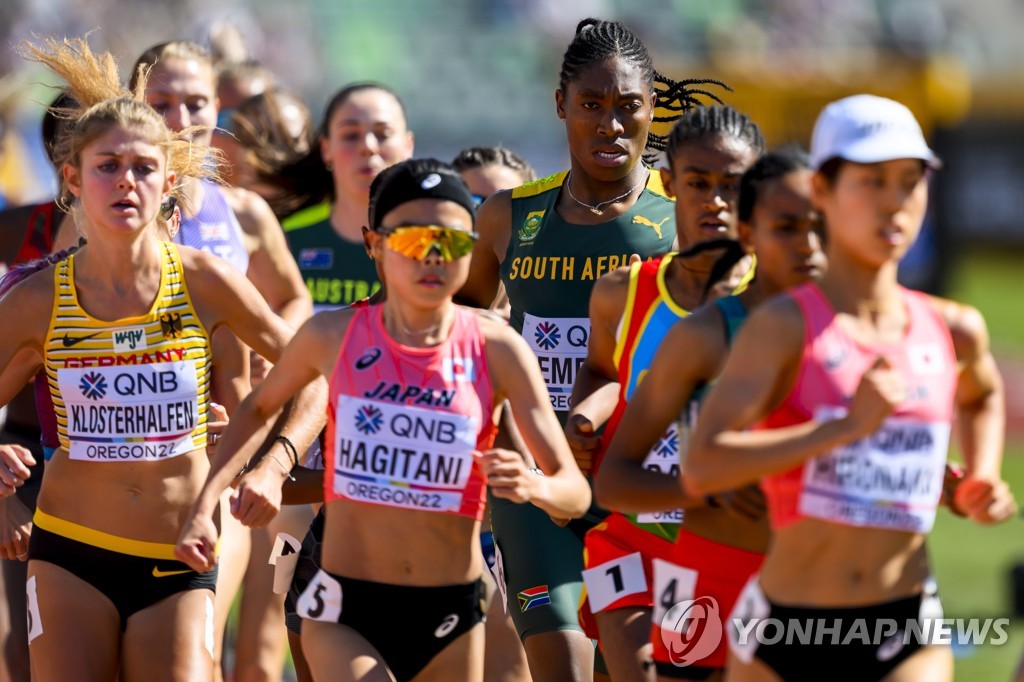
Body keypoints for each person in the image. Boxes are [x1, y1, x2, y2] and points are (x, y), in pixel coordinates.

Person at [175, 158, 592, 682]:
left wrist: (532, 486)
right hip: (347, 607)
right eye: (414, 239)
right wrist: (234, 487)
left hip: (452, 611)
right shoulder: (334, 334)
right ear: (374, 244)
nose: (434, 255)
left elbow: (573, 492)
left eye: (454, 240)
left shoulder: (499, 348)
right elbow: (259, 407)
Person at [0, 36, 324, 682]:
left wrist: (275, 464)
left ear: (170, 179)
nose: (126, 181)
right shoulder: (40, 296)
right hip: (70, 553)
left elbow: (314, 372)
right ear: (72, 178)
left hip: (182, 549)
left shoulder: (206, 280)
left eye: (144, 168)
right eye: (107, 166)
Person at [684, 94, 1017, 681]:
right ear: (822, 192)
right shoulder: (783, 328)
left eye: (909, 182)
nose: (894, 202)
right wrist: (843, 428)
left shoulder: (953, 328)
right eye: (872, 181)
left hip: (906, 626)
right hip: (785, 633)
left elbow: (982, 393)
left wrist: (982, 473)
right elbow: (704, 466)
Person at [458, 18, 727, 680]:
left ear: (652, 109)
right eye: (591, 106)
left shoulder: (684, 216)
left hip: (643, 484)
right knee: (564, 670)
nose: (610, 126)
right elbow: (454, 334)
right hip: (538, 485)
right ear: (561, 106)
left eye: (627, 107)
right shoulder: (507, 217)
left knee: (634, 670)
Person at [595, 149, 824, 681]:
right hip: (687, 566)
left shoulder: (862, 328)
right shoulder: (704, 332)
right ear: (750, 232)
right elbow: (615, 478)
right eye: (787, 227)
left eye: (820, 226)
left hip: (811, 575)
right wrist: (705, 488)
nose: (807, 245)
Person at [132, 40, 314, 682]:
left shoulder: (242, 211)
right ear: (134, 105)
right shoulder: (105, 215)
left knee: (200, 642)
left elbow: (293, 297)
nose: (180, 118)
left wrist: (279, 355)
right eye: (161, 102)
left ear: (219, 107)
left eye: (197, 102)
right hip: (124, 469)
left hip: (224, 462)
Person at [568, 105, 764, 682]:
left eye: (733, 187)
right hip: (632, 537)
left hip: (737, 545)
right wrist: (583, 418)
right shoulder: (622, 293)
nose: (716, 201)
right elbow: (605, 373)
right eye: (699, 183)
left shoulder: (780, 303)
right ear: (669, 182)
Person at [280, 83, 414, 312]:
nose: (368, 147)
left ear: (407, 145)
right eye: (351, 135)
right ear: (326, 148)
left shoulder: (427, 240)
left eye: (383, 134)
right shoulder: (287, 239)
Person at [214, 87, 314, 218]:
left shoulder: (334, 212)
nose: (278, 154)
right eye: (265, 140)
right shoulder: (219, 219)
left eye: (292, 141)